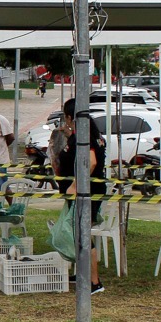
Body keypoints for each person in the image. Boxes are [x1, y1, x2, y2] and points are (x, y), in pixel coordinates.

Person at [53, 97, 106, 294]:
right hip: (84, 191)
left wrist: (75, 185)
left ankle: (94, 282)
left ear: (69, 117)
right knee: (79, 233)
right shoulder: (84, 131)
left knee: (83, 234)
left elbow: (90, 162)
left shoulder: (86, 134)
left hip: (86, 192)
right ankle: (82, 273)